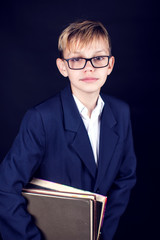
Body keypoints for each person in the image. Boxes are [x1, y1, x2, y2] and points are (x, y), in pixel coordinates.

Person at [0, 20, 136, 240]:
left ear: (110, 65)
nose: (89, 67)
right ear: (63, 67)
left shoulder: (121, 112)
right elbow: (4, 189)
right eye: (77, 59)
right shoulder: (41, 118)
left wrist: (102, 234)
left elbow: (125, 178)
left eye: (98, 58)